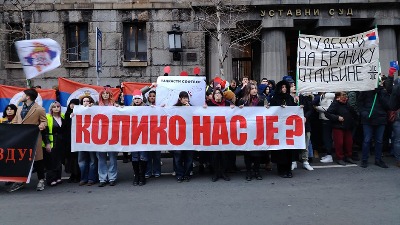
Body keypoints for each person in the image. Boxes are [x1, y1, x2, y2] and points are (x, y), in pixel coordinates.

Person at [9, 88, 47, 192]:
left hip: (34, 138)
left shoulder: (39, 109)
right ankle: (21, 181)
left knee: (38, 160)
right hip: (22, 138)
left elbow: (44, 121)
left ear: (28, 97)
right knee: (22, 159)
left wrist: (42, 125)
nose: (21, 97)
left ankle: (41, 180)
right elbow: (15, 122)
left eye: (23, 95)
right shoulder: (19, 109)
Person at [238, 82, 268, 181]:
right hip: (247, 130)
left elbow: (266, 112)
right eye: (252, 88)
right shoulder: (242, 101)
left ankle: (257, 171)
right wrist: (239, 109)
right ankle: (248, 171)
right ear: (248, 90)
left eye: (255, 88)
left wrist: (267, 108)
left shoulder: (261, 100)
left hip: (257, 130)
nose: (254, 90)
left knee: (257, 153)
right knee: (248, 152)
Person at [205, 88, 234, 182]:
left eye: (219, 93)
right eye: (215, 93)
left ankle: (224, 172)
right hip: (214, 133)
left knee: (224, 154)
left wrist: (235, 108)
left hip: (225, 132)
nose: (217, 95)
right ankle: (216, 173)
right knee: (215, 154)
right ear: (213, 96)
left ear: (222, 95)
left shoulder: (227, 104)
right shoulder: (209, 104)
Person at [270, 80, 297, 178]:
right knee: (280, 150)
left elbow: (294, 110)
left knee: (288, 150)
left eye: (285, 87)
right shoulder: (275, 99)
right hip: (278, 128)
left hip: (288, 128)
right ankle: (281, 169)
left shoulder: (290, 98)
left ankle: (288, 169)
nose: (284, 89)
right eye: (282, 87)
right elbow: (272, 111)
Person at [325, 92, 358, 166]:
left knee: (349, 143)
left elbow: (353, 113)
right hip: (338, 127)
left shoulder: (347, 104)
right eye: (343, 95)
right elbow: (327, 114)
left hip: (347, 126)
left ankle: (348, 156)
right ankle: (340, 158)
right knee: (339, 143)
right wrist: (337, 118)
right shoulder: (335, 104)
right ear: (338, 97)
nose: (345, 97)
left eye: (345, 95)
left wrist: (354, 121)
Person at [97, 88, 118, 187]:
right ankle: (102, 178)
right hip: (100, 135)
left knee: (113, 158)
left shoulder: (114, 106)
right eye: (103, 93)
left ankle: (112, 178)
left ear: (110, 95)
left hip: (112, 135)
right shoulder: (96, 106)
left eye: (107, 93)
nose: (105, 95)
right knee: (101, 158)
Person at [173, 91, 194, 182]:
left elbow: (196, 117)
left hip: (189, 136)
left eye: (187, 98)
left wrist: (189, 109)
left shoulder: (192, 107)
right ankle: (179, 174)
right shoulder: (174, 108)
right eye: (184, 98)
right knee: (178, 156)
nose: (186, 99)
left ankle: (187, 174)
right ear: (180, 99)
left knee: (189, 157)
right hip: (178, 136)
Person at [43, 101, 65, 186]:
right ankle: (51, 179)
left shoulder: (62, 116)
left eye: (58, 107)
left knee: (59, 160)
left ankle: (58, 177)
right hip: (52, 141)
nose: (56, 108)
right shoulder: (48, 117)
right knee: (51, 160)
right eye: (54, 107)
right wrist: (47, 143)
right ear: (51, 108)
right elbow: (45, 132)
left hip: (60, 141)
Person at [77, 96, 97, 186]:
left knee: (92, 160)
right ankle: (83, 178)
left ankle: (91, 178)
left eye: (87, 101)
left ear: (90, 102)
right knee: (82, 160)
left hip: (92, 140)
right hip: (81, 140)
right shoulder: (77, 111)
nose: (85, 103)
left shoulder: (94, 110)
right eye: (84, 101)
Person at [130, 89, 149, 186]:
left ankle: (142, 176)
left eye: (138, 98)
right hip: (134, 136)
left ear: (142, 99)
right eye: (135, 99)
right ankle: (136, 176)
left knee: (143, 156)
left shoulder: (147, 108)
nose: (137, 100)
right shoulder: (129, 108)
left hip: (144, 136)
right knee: (135, 156)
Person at [313, 92, 335, 163]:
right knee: (326, 137)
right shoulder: (323, 96)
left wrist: (317, 108)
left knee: (327, 137)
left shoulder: (329, 96)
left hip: (327, 119)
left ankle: (329, 155)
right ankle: (328, 154)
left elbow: (329, 108)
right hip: (324, 118)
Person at [144, 90, 161, 179]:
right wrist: (149, 87)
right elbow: (140, 93)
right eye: (150, 96)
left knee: (157, 155)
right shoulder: (144, 106)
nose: (152, 97)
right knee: (148, 155)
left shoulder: (159, 106)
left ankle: (157, 171)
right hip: (147, 133)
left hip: (157, 133)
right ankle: (148, 171)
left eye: (154, 96)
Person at [64, 99, 81, 183]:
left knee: (77, 158)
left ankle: (78, 174)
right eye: (71, 103)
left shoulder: (80, 114)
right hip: (68, 139)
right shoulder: (66, 114)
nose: (72, 105)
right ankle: (72, 174)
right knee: (70, 158)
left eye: (74, 104)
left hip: (78, 139)